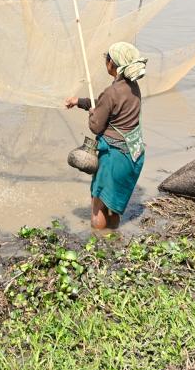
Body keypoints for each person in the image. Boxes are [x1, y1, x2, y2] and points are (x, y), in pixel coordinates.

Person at [63, 42, 148, 230]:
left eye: (107, 58)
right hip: (132, 155)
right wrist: (80, 102)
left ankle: (100, 244)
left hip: (113, 157)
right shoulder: (133, 87)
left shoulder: (112, 92)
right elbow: (107, 104)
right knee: (113, 208)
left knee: (99, 206)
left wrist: (92, 114)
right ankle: (112, 240)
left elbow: (96, 126)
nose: (106, 61)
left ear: (113, 64)